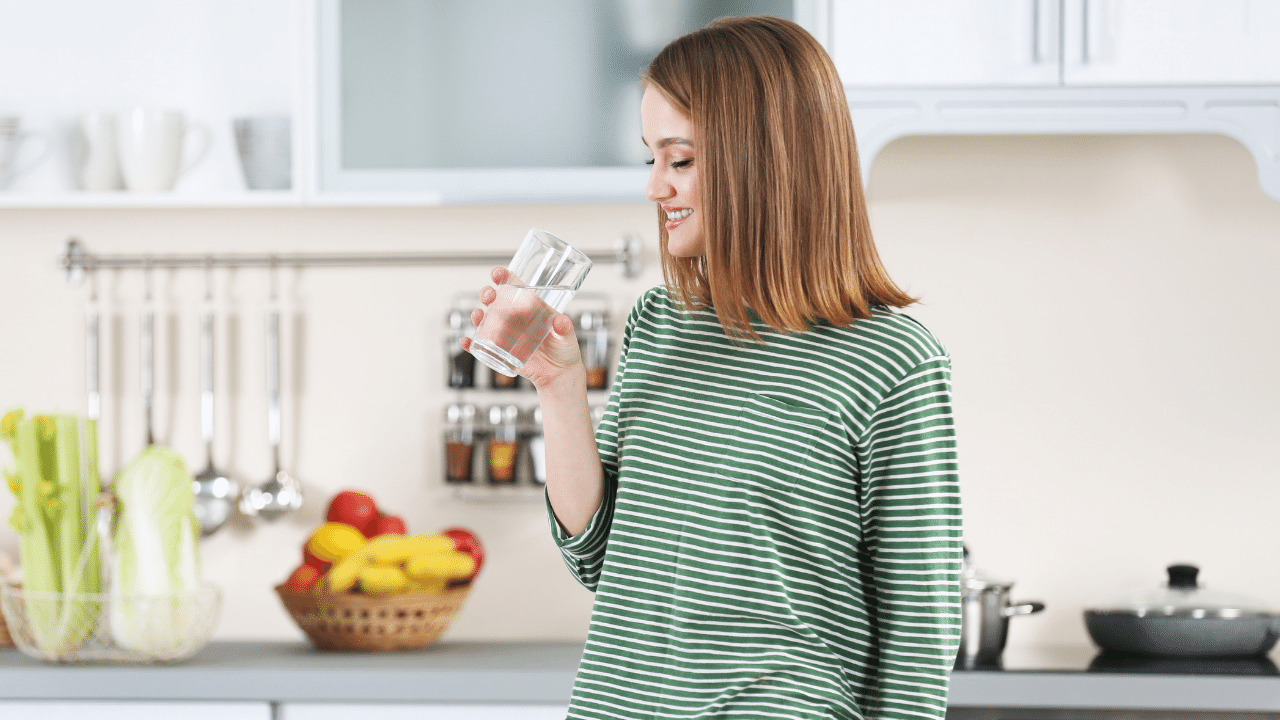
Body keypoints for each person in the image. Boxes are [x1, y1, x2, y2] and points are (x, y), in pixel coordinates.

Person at [464, 15, 963, 720]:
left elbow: (918, 634)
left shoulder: (891, 362)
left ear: (768, 156)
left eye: (681, 159)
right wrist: (559, 383)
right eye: (650, 159)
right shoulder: (659, 324)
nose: (654, 188)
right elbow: (597, 559)